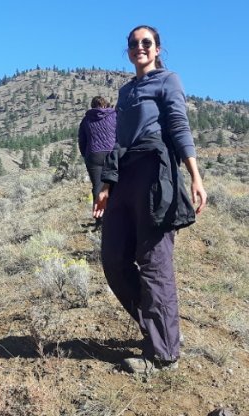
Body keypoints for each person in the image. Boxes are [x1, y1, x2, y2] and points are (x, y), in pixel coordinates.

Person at [93, 25, 207, 375]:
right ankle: (159, 329)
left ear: (157, 49)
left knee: (154, 262)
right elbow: (117, 142)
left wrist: (195, 174)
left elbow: (178, 126)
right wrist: (106, 184)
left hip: (156, 173)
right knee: (113, 259)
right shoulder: (125, 91)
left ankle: (163, 355)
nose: (139, 47)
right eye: (133, 43)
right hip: (125, 174)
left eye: (146, 43)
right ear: (128, 50)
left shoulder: (167, 81)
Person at [78, 96, 117, 228]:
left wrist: (86, 155)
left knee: (98, 186)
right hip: (112, 153)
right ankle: (116, 217)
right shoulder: (114, 116)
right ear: (105, 104)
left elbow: (82, 140)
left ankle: (100, 220)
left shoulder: (86, 120)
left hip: (94, 155)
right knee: (115, 184)